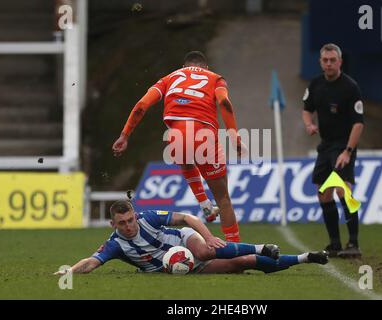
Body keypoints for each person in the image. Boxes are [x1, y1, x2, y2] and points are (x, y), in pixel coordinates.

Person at [112, 51, 247, 242]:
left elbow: (142, 104)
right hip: (204, 135)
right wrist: (234, 135)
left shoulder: (169, 78)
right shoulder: (215, 79)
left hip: (176, 135)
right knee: (223, 199)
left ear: (183, 68)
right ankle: (235, 250)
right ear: (205, 68)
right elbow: (224, 101)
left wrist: (124, 135)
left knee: (185, 160)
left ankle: (204, 204)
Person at [54, 200, 328, 275]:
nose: (128, 226)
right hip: (179, 267)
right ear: (113, 223)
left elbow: (187, 218)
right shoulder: (116, 244)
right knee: (243, 263)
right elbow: (91, 261)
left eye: (130, 220)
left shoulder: (148, 217)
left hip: (184, 241)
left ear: (134, 215)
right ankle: (306, 257)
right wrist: (68, 271)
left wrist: (208, 237)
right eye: (122, 223)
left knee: (208, 251)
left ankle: (263, 247)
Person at [302, 43, 364, 258]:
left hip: (343, 146)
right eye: (325, 60)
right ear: (320, 62)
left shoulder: (350, 87)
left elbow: (358, 123)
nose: (328, 64)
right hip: (325, 146)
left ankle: (353, 243)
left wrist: (348, 151)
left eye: (332, 60)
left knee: (342, 191)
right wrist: (309, 124)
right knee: (323, 194)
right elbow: (307, 109)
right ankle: (335, 244)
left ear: (340, 62)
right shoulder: (316, 84)